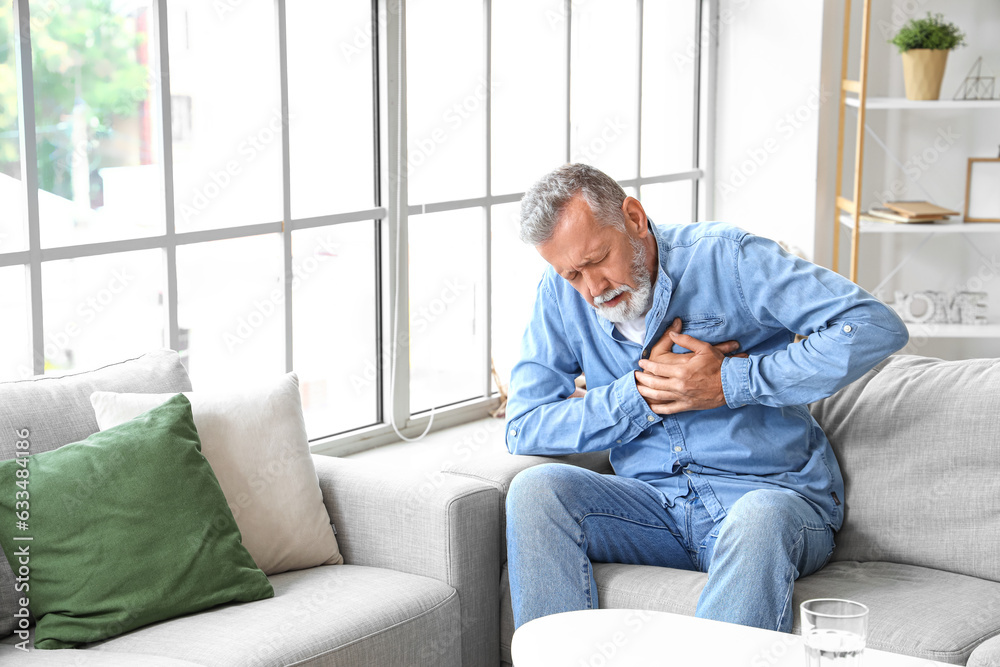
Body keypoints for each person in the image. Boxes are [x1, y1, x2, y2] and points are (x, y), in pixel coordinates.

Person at [504, 163, 908, 633]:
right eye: (573, 273)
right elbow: (524, 425)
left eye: (597, 259)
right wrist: (641, 394)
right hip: (656, 509)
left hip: (772, 500)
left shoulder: (729, 259)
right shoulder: (559, 296)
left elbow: (873, 326)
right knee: (536, 491)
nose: (592, 289)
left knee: (758, 516)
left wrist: (732, 382)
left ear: (633, 218)